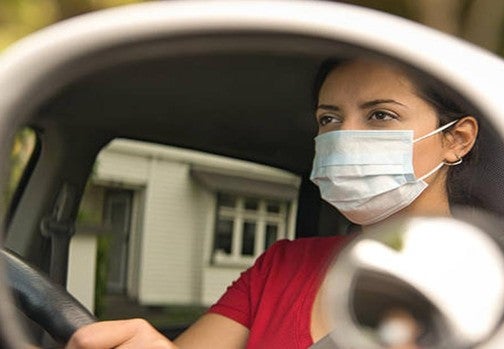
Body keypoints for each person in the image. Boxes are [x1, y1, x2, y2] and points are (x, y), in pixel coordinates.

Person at [66, 58, 479, 349]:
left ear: (455, 139)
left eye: (381, 116)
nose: (345, 138)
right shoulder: (282, 265)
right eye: (329, 120)